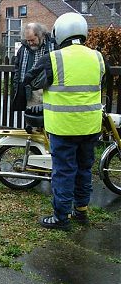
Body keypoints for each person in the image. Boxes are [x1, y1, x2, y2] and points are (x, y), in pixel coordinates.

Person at [23, 13, 105, 231]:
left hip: (64, 127)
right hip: (90, 127)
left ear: (60, 33)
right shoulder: (97, 57)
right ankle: (81, 211)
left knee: (64, 171)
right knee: (84, 169)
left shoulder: (54, 58)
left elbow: (29, 78)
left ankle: (61, 217)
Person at [12, 23, 56, 111]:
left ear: (41, 35)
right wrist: (17, 86)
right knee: (32, 119)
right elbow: (18, 70)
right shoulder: (23, 49)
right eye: (28, 40)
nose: (30, 43)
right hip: (31, 92)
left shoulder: (53, 45)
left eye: (32, 40)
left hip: (50, 90)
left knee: (50, 120)